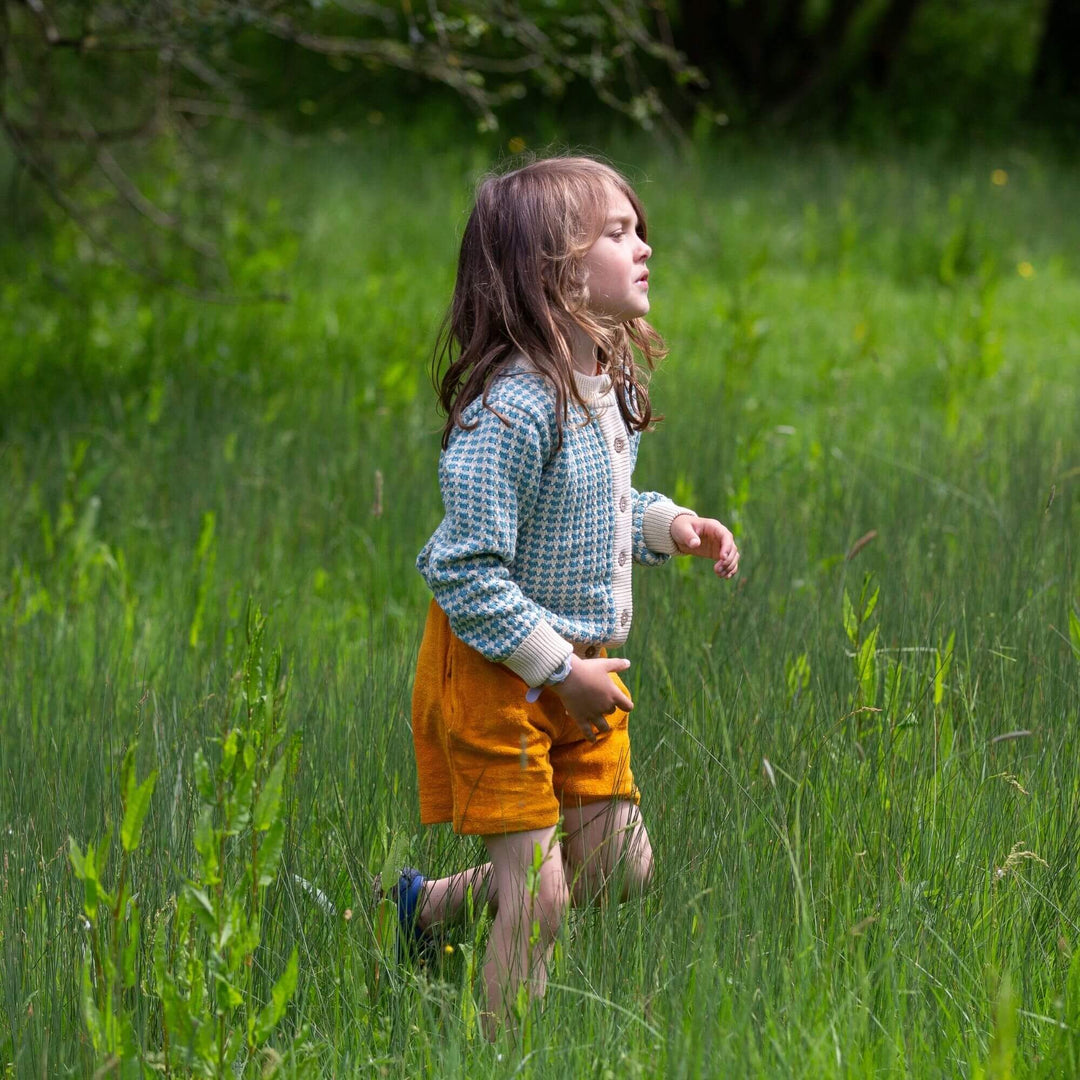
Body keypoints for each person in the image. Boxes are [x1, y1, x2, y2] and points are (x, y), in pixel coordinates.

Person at [398, 155, 739, 1036]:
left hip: (577, 674)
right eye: (618, 234)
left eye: (639, 227)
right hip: (497, 672)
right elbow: (464, 568)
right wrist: (555, 670)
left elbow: (594, 510)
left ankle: (425, 910)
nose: (646, 246)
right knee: (540, 900)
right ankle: (502, 1052)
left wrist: (672, 526)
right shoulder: (513, 408)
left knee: (620, 870)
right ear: (554, 269)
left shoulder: (606, 383)